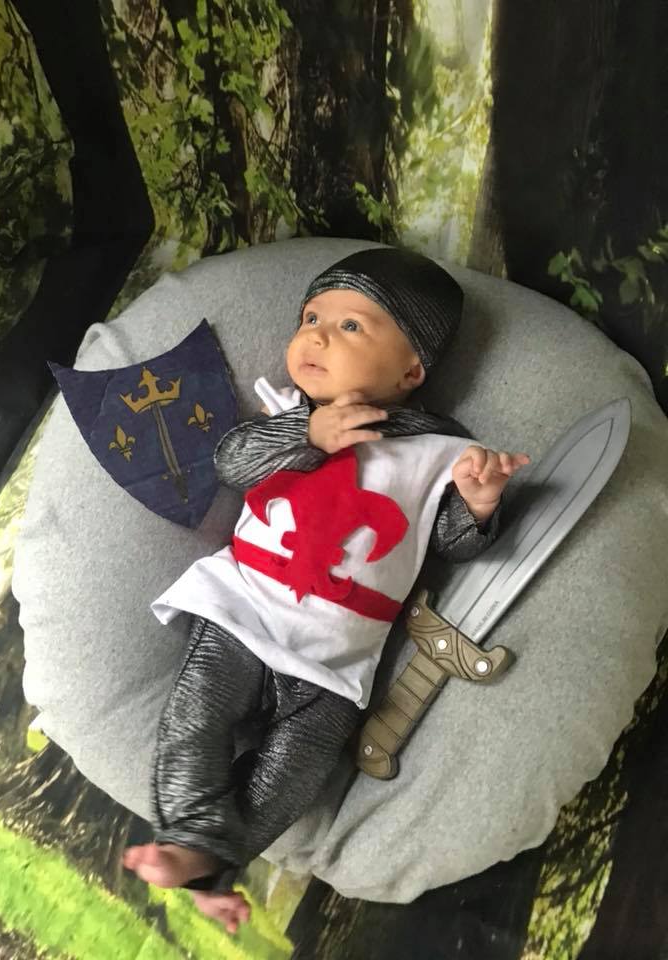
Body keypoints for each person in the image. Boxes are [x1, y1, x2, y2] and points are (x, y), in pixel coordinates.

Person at [122, 248, 530, 932]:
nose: (316, 336)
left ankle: (208, 863)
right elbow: (232, 462)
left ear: (411, 371)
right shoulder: (288, 412)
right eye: (311, 317)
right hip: (246, 608)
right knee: (196, 720)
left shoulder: (440, 451)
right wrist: (308, 432)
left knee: (296, 774)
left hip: (337, 656)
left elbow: (454, 543)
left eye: (351, 326)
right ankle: (188, 840)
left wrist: (480, 501)